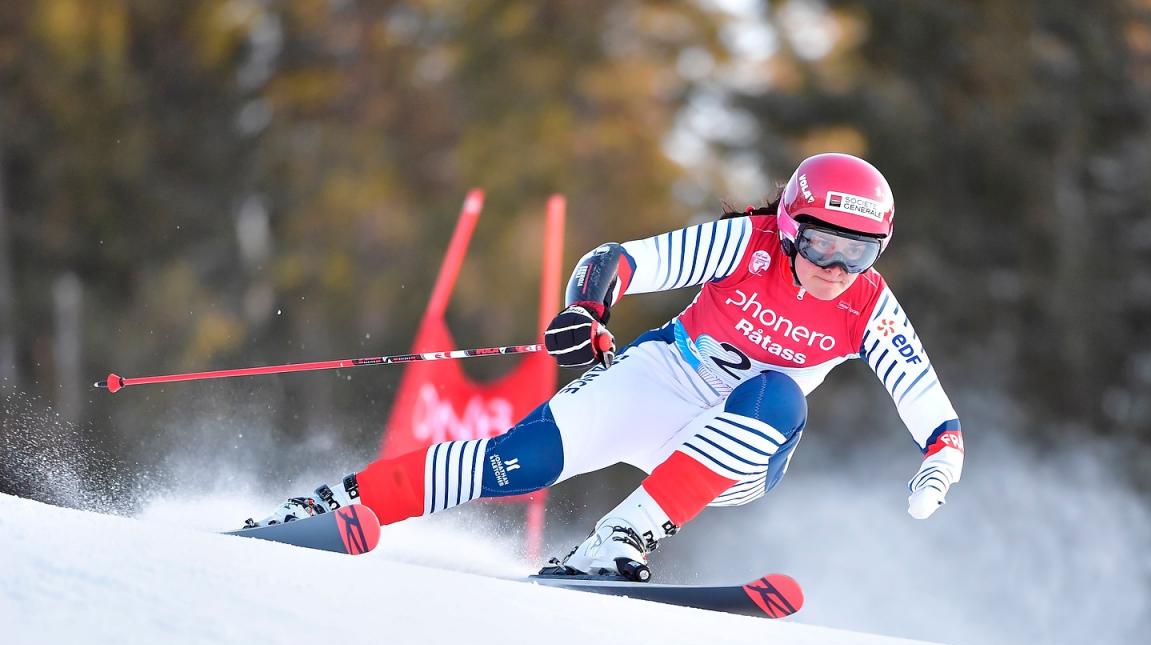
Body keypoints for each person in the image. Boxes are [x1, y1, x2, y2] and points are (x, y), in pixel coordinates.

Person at [248, 153, 964, 581]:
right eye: (822, 247)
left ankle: (619, 540)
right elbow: (620, 261)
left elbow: (928, 403)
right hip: (663, 381)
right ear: (789, 229)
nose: (838, 268)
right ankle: (335, 503)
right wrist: (590, 310)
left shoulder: (867, 306)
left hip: (739, 449)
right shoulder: (745, 245)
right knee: (517, 461)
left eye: (862, 252)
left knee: (777, 392)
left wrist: (941, 461)